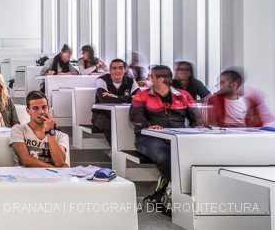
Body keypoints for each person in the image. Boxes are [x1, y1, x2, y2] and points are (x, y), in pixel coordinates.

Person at [130, 65, 201, 197]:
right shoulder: (142, 95)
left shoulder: (183, 96)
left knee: (197, 155)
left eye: (151, 76)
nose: (148, 79)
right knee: (164, 155)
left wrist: (198, 126)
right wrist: (149, 126)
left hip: (178, 137)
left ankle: (172, 183)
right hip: (148, 138)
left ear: (160, 79)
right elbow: (135, 116)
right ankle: (177, 187)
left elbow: (196, 117)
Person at [10, 91, 69, 168]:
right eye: (35, 108)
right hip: (27, 174)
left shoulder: (60, 135)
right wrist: (55, 168)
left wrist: (50, 131)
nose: (41, 112)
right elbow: (25, 160)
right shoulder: (18, 129)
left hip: (51, 175)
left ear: (48, 109)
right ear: (28, 111)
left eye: (44, 107)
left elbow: (59, 162)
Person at [91, 59, 139, 145]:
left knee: (139, 123)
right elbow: (105, 100)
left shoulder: (131, 81)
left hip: (125, 114)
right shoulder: (102, 80)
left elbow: (139, 99)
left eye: (120, 68)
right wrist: (129, 98)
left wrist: (114, 97)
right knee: (110, 124)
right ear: (110, 70)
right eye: (114, 68)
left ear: (125, 70)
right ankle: (116, 150)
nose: (118, 71)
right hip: (103, 114)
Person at [204, 68, 273, 128]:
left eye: (222, 83)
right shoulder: (214, 100)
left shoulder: (250, 101)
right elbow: (211, 124)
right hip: (223, 136)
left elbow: (262, 123)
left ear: (234, 85)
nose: (219, 85)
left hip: (244, 136)